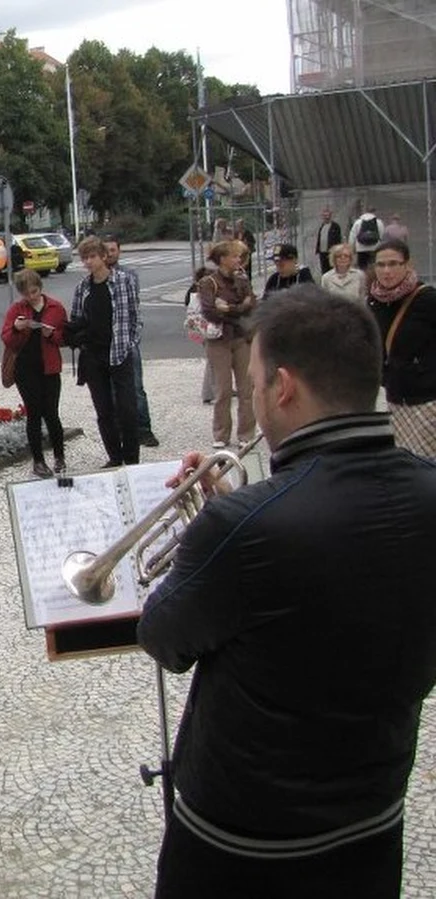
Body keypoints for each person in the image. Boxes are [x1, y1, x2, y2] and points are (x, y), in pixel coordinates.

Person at [138, 286, 436, 899]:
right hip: (373, 816)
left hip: (243, 841)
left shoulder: (242, 528)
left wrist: (217, 530)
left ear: (283, 387)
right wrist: (236, 521)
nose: (252, 393)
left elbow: (164, 638)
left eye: (253, 379)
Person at [65, 236, 141, 467]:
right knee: (103, 409)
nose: (88, 262)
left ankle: (131, 457)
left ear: (103, 257)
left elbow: (135, 316)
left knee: (127, 408)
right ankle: (114, 456)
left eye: (92, 257)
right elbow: (76, 318)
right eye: (84, 258)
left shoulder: (123, 281)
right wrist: (75, 336)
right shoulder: (83, 288)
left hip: (118, 352)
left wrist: (130, 342)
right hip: (93, 355)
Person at [367, 238, 436, 457]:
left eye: (393, 264)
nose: (386, 271)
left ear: (407, 265)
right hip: (396, 399)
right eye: (381, 264)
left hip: (428, 399)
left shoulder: (426, 299)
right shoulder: (374, 301)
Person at [1, 268, 68, 478]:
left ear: (40, 287)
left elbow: (65, 338)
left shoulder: (56, 307)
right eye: (27, 293)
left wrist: (52, 334)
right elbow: (7, 339)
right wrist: (17, 328)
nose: (31, 296)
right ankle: (38, 461)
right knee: (34, 413)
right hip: (25, 369)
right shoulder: (17, 309)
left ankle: (59, 456)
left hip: (49, 367)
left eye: (35, 291)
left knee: (52, 413)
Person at [198, 240, 257, 449]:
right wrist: (238, 308)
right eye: (234, 256)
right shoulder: (208, 282)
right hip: (219, 341)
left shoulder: (242, 280)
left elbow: (252, 305)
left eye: (239, 256)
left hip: (241, 338)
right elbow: (210, 311)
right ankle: (221, 434)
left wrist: (229, 309)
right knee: (222, 390)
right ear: (222, 259)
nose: (238, 260)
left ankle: (246, 434)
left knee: (246, 390)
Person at [104, 236, 159, 447]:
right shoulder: (94, 279)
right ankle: (121, 430)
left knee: (136, 387)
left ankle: (144, 428)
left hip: (127, 341)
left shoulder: (128, 276)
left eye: (113, 250)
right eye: (106, 250)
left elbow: (133, 309)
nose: (110, 254)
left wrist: (133, 339)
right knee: (112, 390)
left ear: (119, 251)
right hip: (108, 344)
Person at [185, 267, 215, 404]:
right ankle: (208, 393)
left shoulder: (192, 293)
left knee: (213, 359)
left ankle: (216, 388)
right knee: (213, 360)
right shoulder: (202, 295)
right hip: (209, 330)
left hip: (200, 331)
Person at [313, 207, 342, 274]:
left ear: (330, 216)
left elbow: (338, 239)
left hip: (331, 252)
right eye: (324, 216)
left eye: (328, 215)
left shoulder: (335, 226)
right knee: (324, 269)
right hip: (322, 252)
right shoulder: (322, 226)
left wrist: (336, 250)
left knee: (332, 269)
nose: (326, 217)